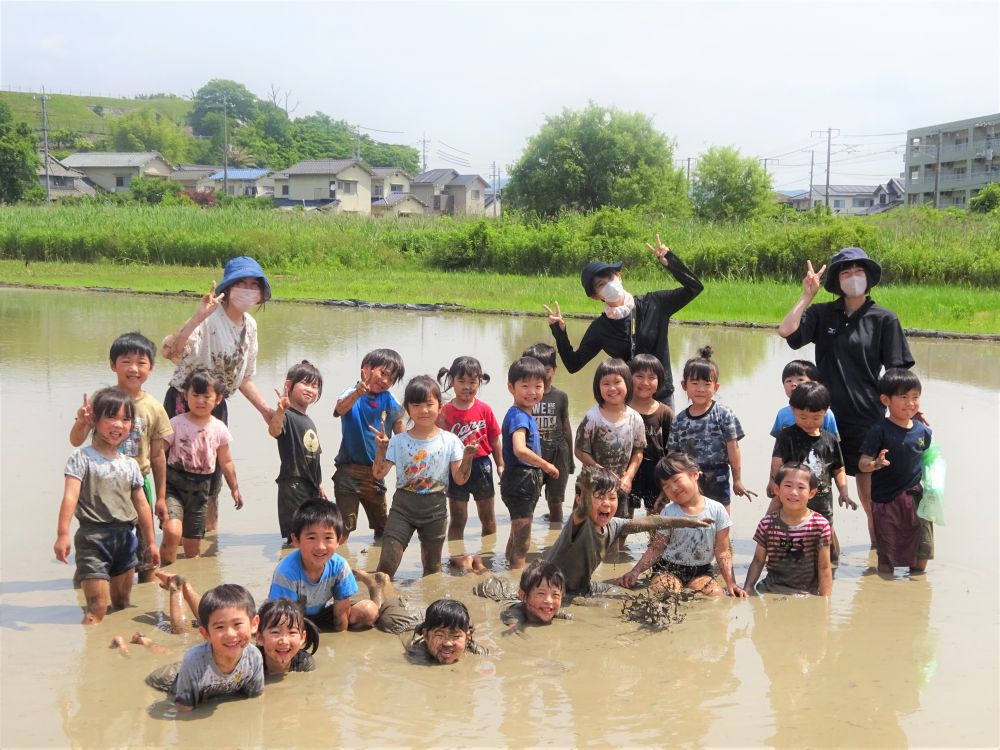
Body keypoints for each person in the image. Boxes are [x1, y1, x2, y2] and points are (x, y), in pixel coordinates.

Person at [778, 247, 915, 546]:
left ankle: (880, 556)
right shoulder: (822, 313)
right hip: (821, 420)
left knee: (872, 500)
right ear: (837, 281)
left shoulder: (884, 319)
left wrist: (909, 413)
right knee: (815, 492)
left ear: (868, 277)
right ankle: (826, 553)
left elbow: (898, 373)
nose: (852, 277)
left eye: (858, 271)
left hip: (867, 418)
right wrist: (806, 296)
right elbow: (786, 331)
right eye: (845, 272)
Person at [161, 256, 274, 532]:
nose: (248, 289)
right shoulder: (210, 317)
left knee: (211, 477)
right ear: (229, 287)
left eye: (253, 284)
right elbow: (170, 351)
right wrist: (198, 315)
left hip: (217, 406)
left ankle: (206, 534)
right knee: (176, 474)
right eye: (241, 283)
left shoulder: (250, 326)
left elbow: (243, 377)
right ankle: (172, 540)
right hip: (183, 404)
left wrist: (266, 411)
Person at [544, 235, 703, 408]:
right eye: (601, 284)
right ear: (596, 296)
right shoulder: (600, 328)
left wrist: (670, 261)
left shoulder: (654, 303)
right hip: (628, 402)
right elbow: (573, 364)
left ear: (619, 277)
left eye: (610, 278)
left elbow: (694, 287)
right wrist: (559, 332)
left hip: (662, 398)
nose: (609, 285)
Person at [69, 332, 172, 584]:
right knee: (95, 539)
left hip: (137, 481)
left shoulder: (154, 407)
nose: (134, 369)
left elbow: (158, 455)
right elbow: (75, 440)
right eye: (126, 361)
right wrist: (83, 422)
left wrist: (160, 497)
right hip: (100, 482)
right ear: (113, 365)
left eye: (141, 362)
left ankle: (146, 592)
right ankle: (86, 584)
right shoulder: (101, 400)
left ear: (151, 368)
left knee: (145, 548)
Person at [54, 388, 161, 624]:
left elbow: (142, 505)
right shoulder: (81, 458)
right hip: (93, 538)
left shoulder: (130, 464)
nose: (119, 425)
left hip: (125, 537)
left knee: (122, 604)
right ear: (95, 419)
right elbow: (70, 498)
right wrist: (62, 534)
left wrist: (152, 543)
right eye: (111, 417)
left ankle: (116, 653)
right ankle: (91, 657)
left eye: (126, 419)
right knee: (97, 609)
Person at [543, 467, 713, 597]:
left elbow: (649, 522)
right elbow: (582, 510)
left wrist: (687, 522)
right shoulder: (579, 523)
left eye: (612, 497)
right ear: (580, 499)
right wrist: (586, 494)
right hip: (550, 591)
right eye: (599, 497)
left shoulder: (615, 525)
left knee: (627, 595)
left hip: (583, 588)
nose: (607, 504)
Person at [371, 376, 478, 578]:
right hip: (403, 507)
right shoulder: (399, 441)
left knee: (432, 569)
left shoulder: (450, 441)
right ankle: (381, 605)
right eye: (417, 405)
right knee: (387, 564)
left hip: (435, 509)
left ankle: (428, 604)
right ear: (407, 408)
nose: (424, 410)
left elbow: (460, 479)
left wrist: (468, 457)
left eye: (429, 404)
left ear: (440, 406)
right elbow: (378, 474)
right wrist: (381, 449)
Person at [618, 453, 744, 597]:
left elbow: (723, 551)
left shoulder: (717, 510)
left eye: (676, 480)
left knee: (715, 594)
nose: (673, 488)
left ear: (695, 474)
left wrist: (731, 583)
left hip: (701, 570)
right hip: (668, 569)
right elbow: (657, 548)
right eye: (666, 486)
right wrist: (635, 571)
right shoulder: (668, 512)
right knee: (668, 591)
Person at [766, 381, 856, 563]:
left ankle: (829, 569)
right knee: (789, 536)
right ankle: (781, 563)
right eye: (803, 417)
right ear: (793, 410)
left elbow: (838, 468)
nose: (809, 422)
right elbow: (777, 460)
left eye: (816, 418)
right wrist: (773, 482)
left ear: (826, 412)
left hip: (822, 500)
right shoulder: (787, 436)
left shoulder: (830, 440)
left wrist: (844, 491)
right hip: (793, 497)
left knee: (828, 546)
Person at [160, 368, 242, 564]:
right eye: (195, 395)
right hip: (174, 485)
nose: (200, 401)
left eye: (207, 396)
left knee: (192, 548)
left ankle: (189, 582)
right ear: (185, 396)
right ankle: (165, 574)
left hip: (200, 490)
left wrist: (235, 488)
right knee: (172, 531)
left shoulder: (219, 428)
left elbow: (226, 460)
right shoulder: (176, 423)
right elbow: (158, 453)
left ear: (218, 399)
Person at [858, 369, 933, 575]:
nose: (911, 403)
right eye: (904, 397)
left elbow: (929, 462)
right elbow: (863, 463)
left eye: (915, 397)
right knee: (887, 559)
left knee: (922, 555)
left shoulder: (924, 431)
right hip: (886, 500)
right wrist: (876, 464)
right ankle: (885, 597)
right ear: (886, 400)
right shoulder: (879, 430)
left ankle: (915, 599)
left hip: (916, 498)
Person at [667, 346, 754, 513]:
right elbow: (672, 455)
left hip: (718, 475)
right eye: (695, 383)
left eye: (707, 384)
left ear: (716, 387)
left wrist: (737, 480)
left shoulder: (724, 414)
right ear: (684, 385)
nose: (700, 389)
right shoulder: (679, 420)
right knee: (691, 518)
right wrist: (670, 483)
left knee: (721, 519)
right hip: (690, 476)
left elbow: (733, 449)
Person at [267, 500, 376, 631]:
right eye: (311, 538)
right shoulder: (286, 572)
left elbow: (341, 612)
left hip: (321, 614)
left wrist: (341, 643)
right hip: (289, 617)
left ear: (339, 540)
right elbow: (282, 619)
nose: (320, 547)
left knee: (369, 611)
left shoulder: (340, 566)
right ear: (296, 540)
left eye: (328, 538)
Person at [332, 348, 406, 541]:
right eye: (383, 373)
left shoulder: (389, 399)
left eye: (391, 379)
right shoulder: (351, 393)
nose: (385, 381)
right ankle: (338, 567)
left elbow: (400, 424)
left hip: (375, 472)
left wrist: (406, 450)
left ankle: (378, 566)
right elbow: (340, 409)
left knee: (384, 526)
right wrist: (359, 392)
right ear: (365, 369)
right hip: (347, 471)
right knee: (343, 527)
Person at [500, 357, 561, 569]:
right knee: (523, 540)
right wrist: (546, 465)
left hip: (522, 480)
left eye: (538, 386)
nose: (532, 392)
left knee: (517, 532)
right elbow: (519, 449)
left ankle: (508, 568)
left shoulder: (523, 413)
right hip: (520, 480)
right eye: (525, 386)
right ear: (511, 387)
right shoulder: (519, 416)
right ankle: (516, 579)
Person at [436, 356, 503, 540]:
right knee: (458, 519)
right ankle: (454, 557)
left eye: (473, 382)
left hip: (482, 466)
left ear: (479, 382)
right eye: (462, 381)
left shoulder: (485, 409)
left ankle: (488, 555)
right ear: (452, 381)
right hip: (456, 467)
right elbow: (438, 444)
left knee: (487, 517)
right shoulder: (444, 412)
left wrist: (500, 465)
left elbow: (495, 439)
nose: (467, 386)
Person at [743, 463, 833, 596]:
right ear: (777, 489)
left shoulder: (820, 525)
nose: (793, 492)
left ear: (812, 493)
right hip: (770, 590)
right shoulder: (767, 524)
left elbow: (824, 567)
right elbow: (758, 560)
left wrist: (825, 601)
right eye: (788, 486)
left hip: (806, 593)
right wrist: (747, 588)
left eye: (801, 487)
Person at [170, 583, 264, 711]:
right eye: (220, 627)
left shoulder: (254, 658)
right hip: (172, 678)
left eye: (237, 624)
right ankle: (176, 587)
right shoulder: (193, 663)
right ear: (206, 634)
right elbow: (184, 712)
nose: (230, 634)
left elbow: (255, 703)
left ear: (254, 624)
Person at [575, 358, 646, 519]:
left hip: (621, 486)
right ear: (597, 387)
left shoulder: (635, 418)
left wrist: (628, 477)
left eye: (617, 382)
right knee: (585, 529)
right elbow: (579, 451)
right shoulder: (593, 418)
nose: (612, 388)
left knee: (619, 530)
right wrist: (602, 471)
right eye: (606, 383)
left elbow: (639, 451)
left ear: (628, 384)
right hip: (592, 483)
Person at [268, 360, 326, 544]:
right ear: (288, 385)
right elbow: (274, 431)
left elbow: (313, 458)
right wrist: (280, 410)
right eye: (305, 383)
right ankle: (291, 570)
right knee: (297, 537)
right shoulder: (286, 416)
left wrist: (319, 485)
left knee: (312, 534)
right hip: (293, 485)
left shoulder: (309, 421)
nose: (310, 389)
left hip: (311, 486)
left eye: (315, 386)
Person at [521, 343, 575, 524]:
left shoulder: (560, 396)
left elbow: (566, 427)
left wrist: (570, 460)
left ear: (554, 370)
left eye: (546, 370)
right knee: (528, 501)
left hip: (558, 455)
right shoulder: (523, 398)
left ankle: (554, 540)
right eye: (536, 370)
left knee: (556, 502)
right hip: (532, 456)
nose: (542, 375)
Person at [627, 354, 673, 515]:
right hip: (628, 470)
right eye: (639, 376)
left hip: (655, 471)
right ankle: (621, 542)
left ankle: (654, 542)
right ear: (628, 377)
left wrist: (668, 481)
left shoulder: (665, 413)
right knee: (624, 518)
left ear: (659, 381)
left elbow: (672, 450)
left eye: (651, 377)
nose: (645, 383)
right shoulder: (621, 409)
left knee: (654, 516)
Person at [769, 359, 839, 439]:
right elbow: (779, 443)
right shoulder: (782, 414)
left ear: (815, 384)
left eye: (800, 380)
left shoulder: (825, 413)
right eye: (789, 381)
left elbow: (833, 442)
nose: (793, 384)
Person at [405, 599, 488, 665]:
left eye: (455, 636)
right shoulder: (417, 655)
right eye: (440, 635)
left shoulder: (476, 650)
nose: (447, 643)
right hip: (406, 621)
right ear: (426, 636)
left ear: (467, 637)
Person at [500, 559, 572, 633]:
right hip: (501, 593)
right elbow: (514, 628)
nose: (549, 601)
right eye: (541, 593)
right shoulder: (515, 612)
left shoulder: (551, 609)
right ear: (523, 596)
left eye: (555, 594)